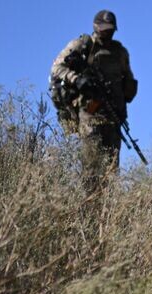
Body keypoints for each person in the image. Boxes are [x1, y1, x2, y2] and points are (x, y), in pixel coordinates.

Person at [49, 10, 138, 191]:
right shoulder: (82, 44)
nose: (107, 33)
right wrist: (77, 79)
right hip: (89, 113)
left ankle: (108, 213)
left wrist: (122, 101)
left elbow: (128, 82)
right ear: (95, 27)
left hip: (112, 117)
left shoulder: (119, 52)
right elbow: (57, 68)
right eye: (104, 29)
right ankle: (90, 210)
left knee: (112, 170)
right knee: (91, 168)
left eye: (110, 30)